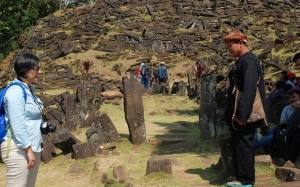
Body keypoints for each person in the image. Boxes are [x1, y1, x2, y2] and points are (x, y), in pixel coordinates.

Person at [223, 30, 268, 187]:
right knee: (237, 143)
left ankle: (246, 180)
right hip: (238, 111)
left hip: (246, 112)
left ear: (241, 43)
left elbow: (249, 89)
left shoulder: (249, 61)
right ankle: (239, 175)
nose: (229, 51)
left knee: (244, 144)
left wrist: (242, 114)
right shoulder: (242, 60)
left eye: (230, 47)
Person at [0, 53, 43, 187]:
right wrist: (28, 150)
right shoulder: (16, 92)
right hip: (18, 148)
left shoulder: (28, 90)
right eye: (36, 69)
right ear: (25, 70)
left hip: (31, 146)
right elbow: (17, 123)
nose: (39, 72)